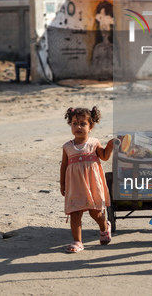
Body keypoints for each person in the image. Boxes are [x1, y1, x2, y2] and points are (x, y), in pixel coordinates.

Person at [60, 106, 114, 253]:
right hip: (75, 186)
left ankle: (104, 228)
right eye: (74, 123)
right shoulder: (67, 147)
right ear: (70, 125)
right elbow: (64, 166)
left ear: (91, 126)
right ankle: (77, 241)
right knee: (75, 213)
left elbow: (104, 156)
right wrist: (62, 184)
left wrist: (109, 146)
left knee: (95, 212)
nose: (78, 126)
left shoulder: (94, 143)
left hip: (92, 184)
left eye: (83, 124)